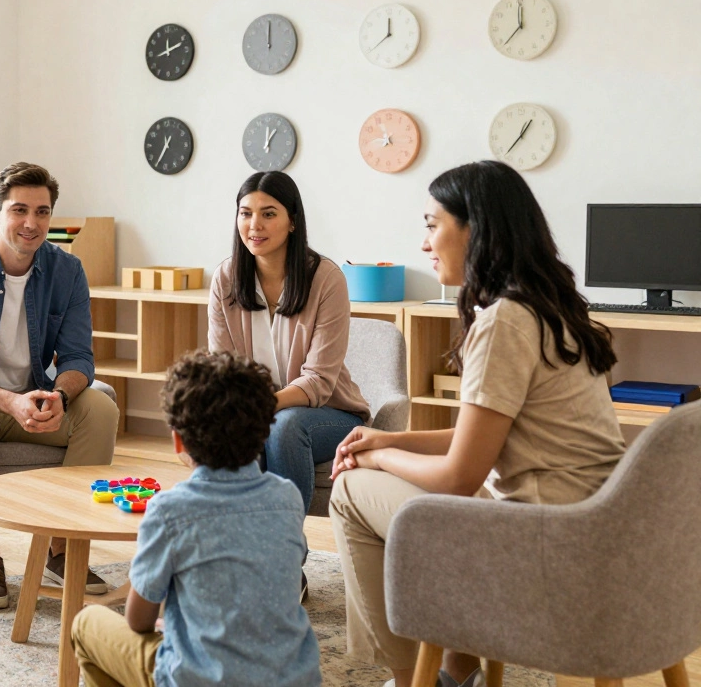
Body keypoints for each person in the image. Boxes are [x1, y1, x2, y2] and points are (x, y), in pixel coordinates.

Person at [329, 161, 626, 687]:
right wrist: (393, 437)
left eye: (431, 224)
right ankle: (457, 668)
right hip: (590, 529)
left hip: (536, 543)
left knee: (351, 488)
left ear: (476, 229)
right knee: (392, 477)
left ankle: (412, 680)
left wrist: (373, 457)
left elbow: (457, 477)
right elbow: (490, 431)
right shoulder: (553, 310)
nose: (423, 244)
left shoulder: (506, 320)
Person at [0, 162, 120, 609]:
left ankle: (62, 545)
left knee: (101, 408)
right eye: (19, 210)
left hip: (34, 397)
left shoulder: (67, 271)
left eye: (42, 211)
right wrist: (10, 402)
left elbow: (77, 359)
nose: (31, 223)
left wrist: (60, 396)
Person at [69, 350, 320, 687]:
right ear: (263, 433)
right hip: (294, 680)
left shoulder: (170, 512)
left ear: (178, 440)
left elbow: (138, 620)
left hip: (201, 680)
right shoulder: (288, 498)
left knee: (87, 625)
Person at [208, 170, 371, 516]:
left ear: (292, 221)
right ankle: (235, 546)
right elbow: (221, 369)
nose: (255, 225)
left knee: (283, 426)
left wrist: (259, 408)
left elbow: (319, 381)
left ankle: (285, 552)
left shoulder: (326, 279)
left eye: (269, 214)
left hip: (329, 415)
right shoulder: (225, 278)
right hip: (260, 411)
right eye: (246, 213)